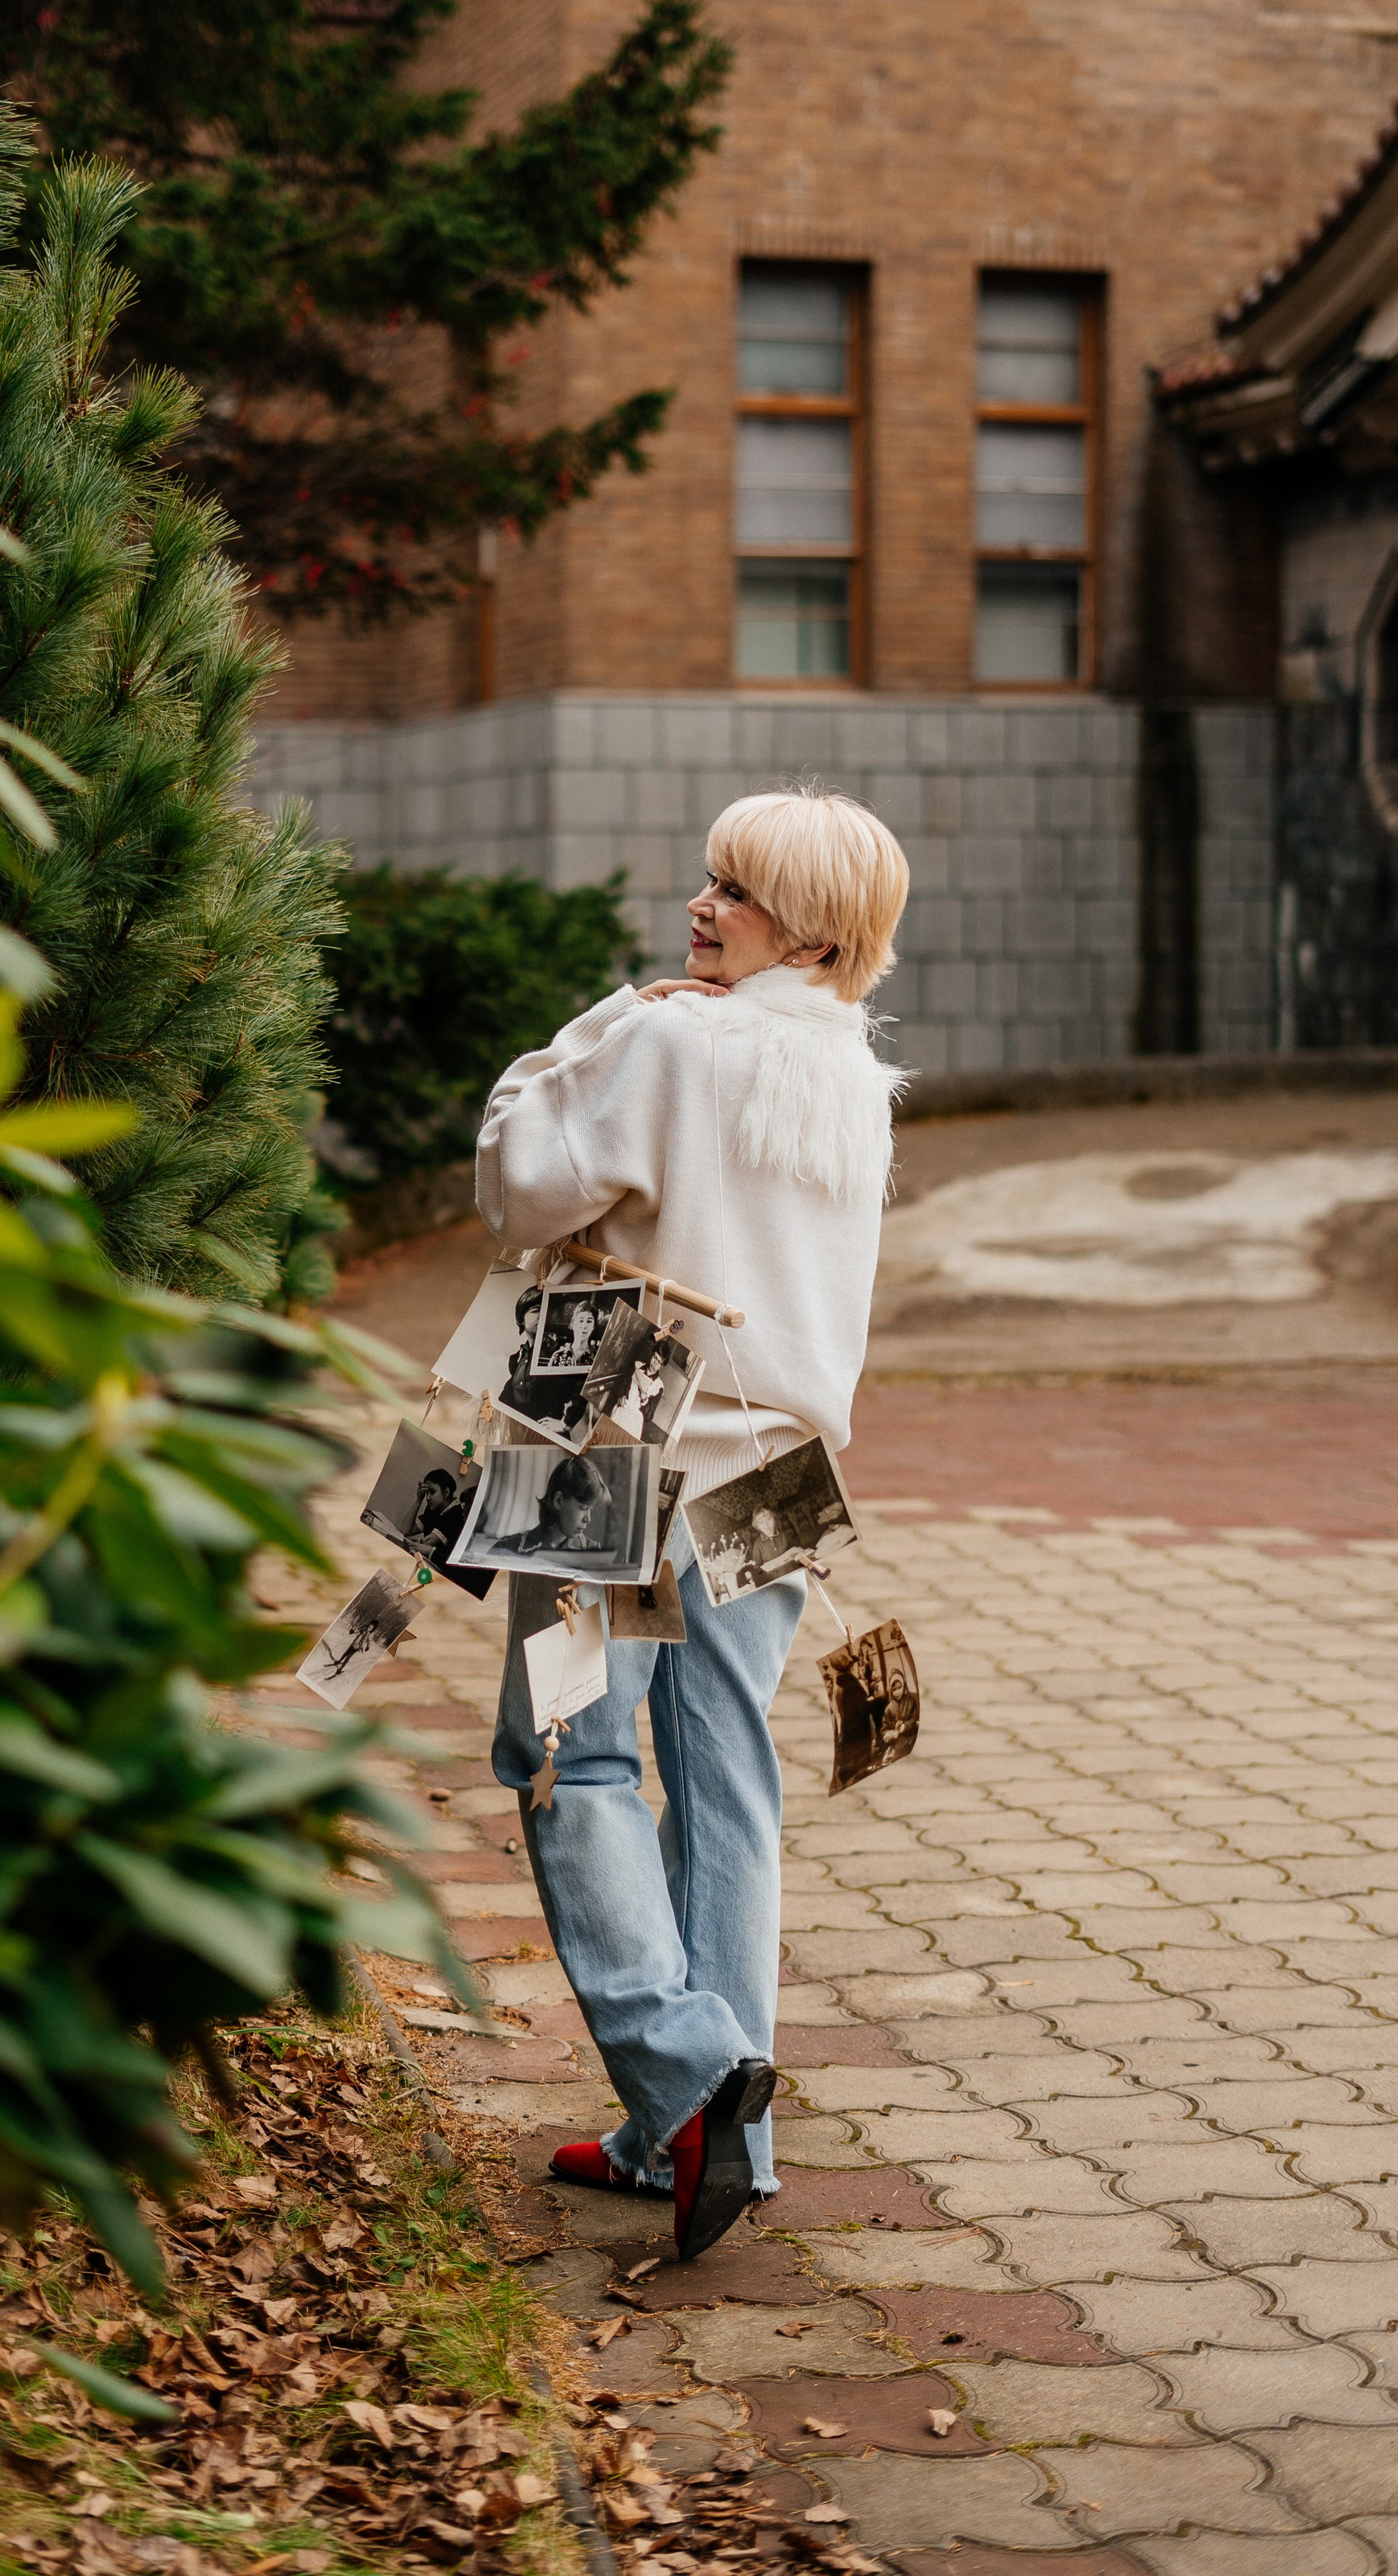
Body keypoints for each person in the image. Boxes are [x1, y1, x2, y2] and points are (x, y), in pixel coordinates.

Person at [475, 787, 909, 2261]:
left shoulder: (660, 1039)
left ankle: (685, 2074)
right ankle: (725, 2140)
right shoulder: (854, 1078)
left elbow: (513, 1181)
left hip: (606, 1452)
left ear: (812, 928)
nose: (700, 907)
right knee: (727, 1782)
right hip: (776, 1475)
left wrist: (591, 1025)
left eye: (738, 892)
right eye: (709, 880)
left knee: (560, 1753)